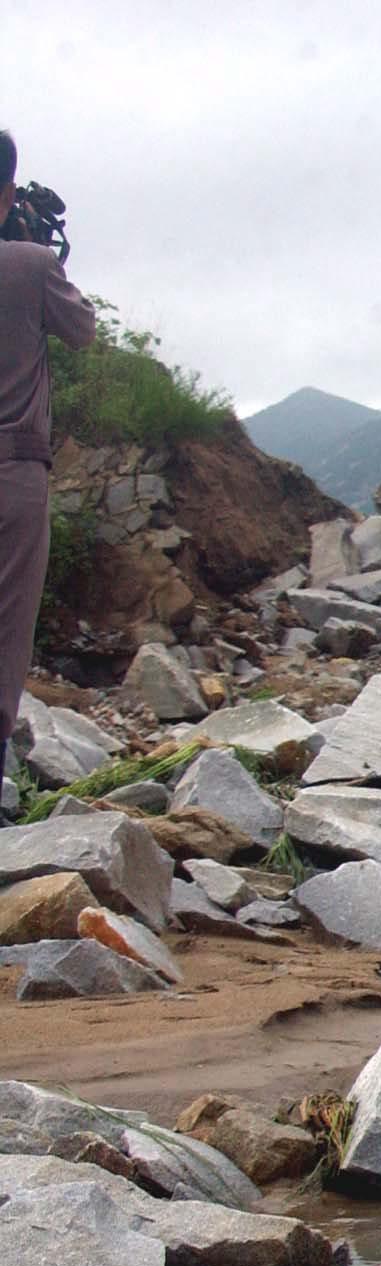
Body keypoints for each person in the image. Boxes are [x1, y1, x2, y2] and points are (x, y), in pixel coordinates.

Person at [0, 129, 99, 780]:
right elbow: (82, 328)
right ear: (8, 191)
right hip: (13, 472)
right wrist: (34, 242)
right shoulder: (30, 266)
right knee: (6, 629)